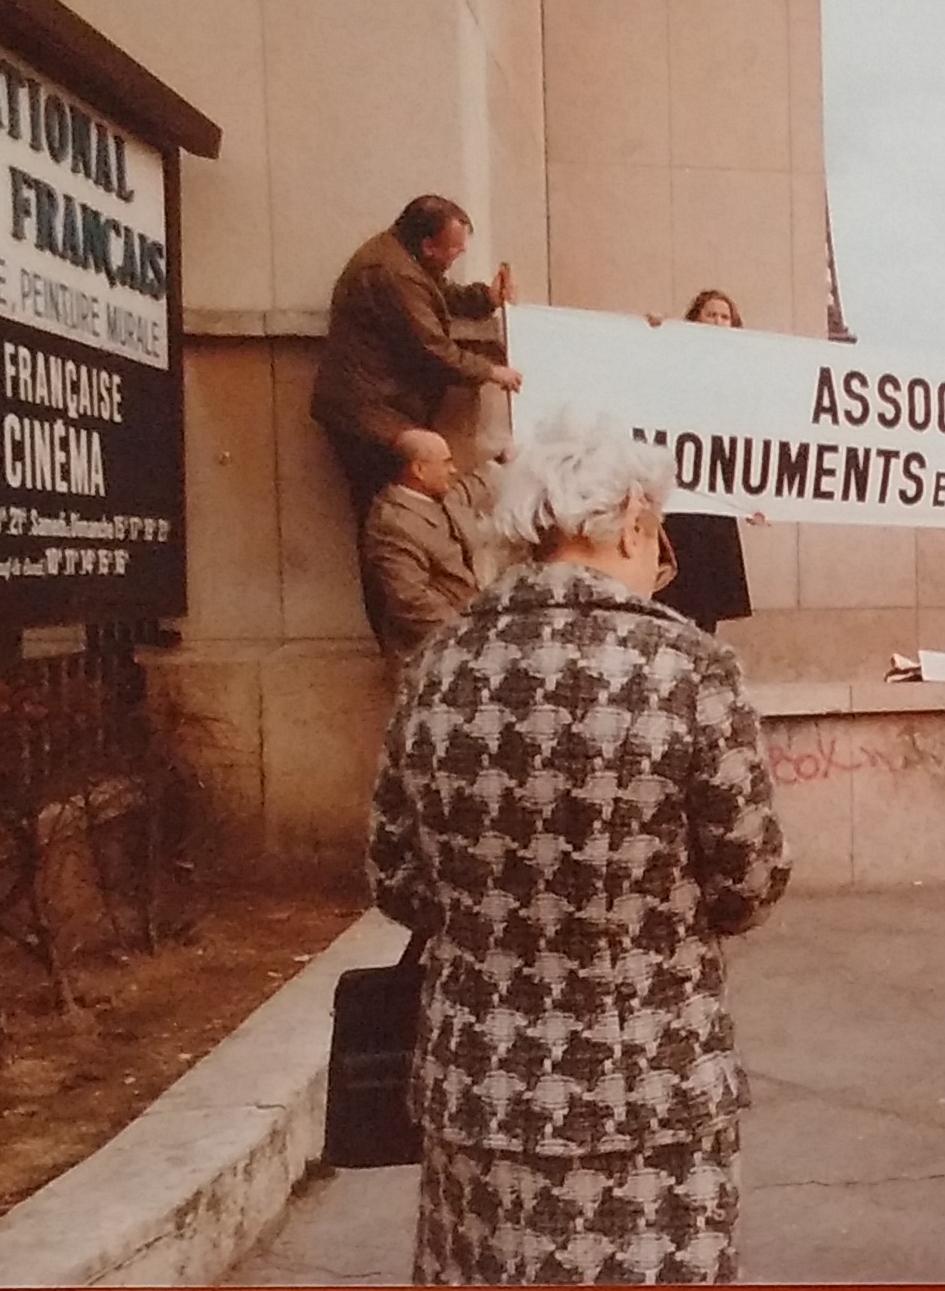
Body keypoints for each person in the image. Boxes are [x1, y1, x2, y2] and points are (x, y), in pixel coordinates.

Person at [368, 411, 790, 1285]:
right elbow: (748, 879)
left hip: (479, 1089)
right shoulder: (687, 668)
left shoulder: (440, 667)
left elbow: (397, 880)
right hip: (650, 1091)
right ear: (635, 521)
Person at [311, 196, 522, 538]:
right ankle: (397, 589)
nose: (461, 253)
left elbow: (440, 296)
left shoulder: (404, 259)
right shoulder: (391, 273)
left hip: (382, 408)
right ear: (428, 246)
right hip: (371, 414)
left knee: (402, 518)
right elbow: (432, 349)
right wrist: (490, 371)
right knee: (393, 522)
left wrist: (487, 298)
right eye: (454, 247)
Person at [652, 291, 756, 634]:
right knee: (674, 589)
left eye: (724, 316)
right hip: (679, 495)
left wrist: (755, 498)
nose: (717, 321)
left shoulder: (745, 373)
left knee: (708, 596)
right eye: (710, 314)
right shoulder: (672, 361)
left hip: (714, 500)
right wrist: (652, 335)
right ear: (694, 320)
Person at [359, 429, 501, 666]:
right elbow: (410, 601)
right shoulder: (392, 524)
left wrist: (500, 463)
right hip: (430, 656)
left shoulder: (431, 495)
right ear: (418, 470)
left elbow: (466, 491)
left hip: (462, 641)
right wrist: (473, 635)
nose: (453, 470)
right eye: (446, 463)